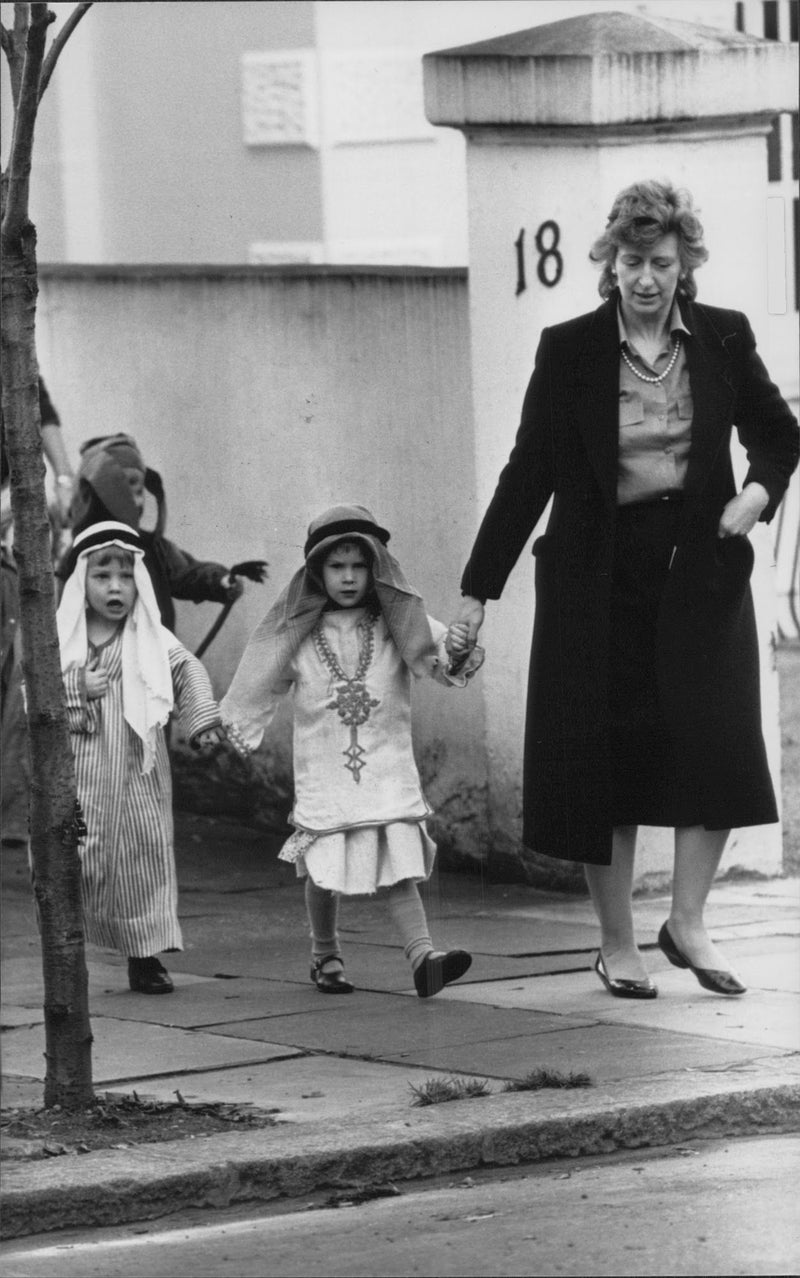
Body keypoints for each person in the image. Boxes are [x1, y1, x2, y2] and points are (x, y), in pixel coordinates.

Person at [454, 180, 799, 1000]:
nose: (647, 278)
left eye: (663, 263)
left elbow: (779, 432)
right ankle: (617, 944)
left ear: (687, 267)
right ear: (610, 265)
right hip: (596, 578)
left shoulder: (721, 337)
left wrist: (755, 497)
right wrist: (477, 591)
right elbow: (527, 472)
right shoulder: (570, 349)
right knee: (603, 756)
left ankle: (687, 920)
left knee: (712, 743)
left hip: (700, 567)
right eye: (633, 261)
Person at [220, 503, 483, 997]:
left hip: (385, 766)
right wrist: (231, 724)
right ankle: (325, 954)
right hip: (325, 770)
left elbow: (441, 658)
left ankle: (423, 958)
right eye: (336, 566)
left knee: (399, 861)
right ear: (317, 571)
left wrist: (460, 647)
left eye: (358, 566)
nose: (347, 577)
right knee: (324, 867)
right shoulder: (297, 631)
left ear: (376, 568)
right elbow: (260, 682)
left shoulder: (399, 621)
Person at [56, 520, 226, 994]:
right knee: (78, 858)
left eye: (125, 576)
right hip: (78, 773)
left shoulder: (147, 635)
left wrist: (203, 719)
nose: (115, 586)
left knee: (140, 857)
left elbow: (186, 667)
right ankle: (67, 953)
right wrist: (73, 686)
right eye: (102, 575)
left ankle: (143, 955)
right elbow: (33, 691)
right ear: (80, 583)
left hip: (136, 771)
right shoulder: (63, 638)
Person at [59, 434, 267, 631]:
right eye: (127, 487)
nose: (139, 501)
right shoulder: (79, 553)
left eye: (140, 490)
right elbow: (60, 618)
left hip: (156, 660)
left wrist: (221, 580)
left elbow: (187, 573)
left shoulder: (153, 547)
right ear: (102, 491)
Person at [1, 376, 74, 849]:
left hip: (13, 507)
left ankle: (13, 811)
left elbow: (41, 411)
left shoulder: (10, 338)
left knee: (22, 678)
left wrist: (64, 480)